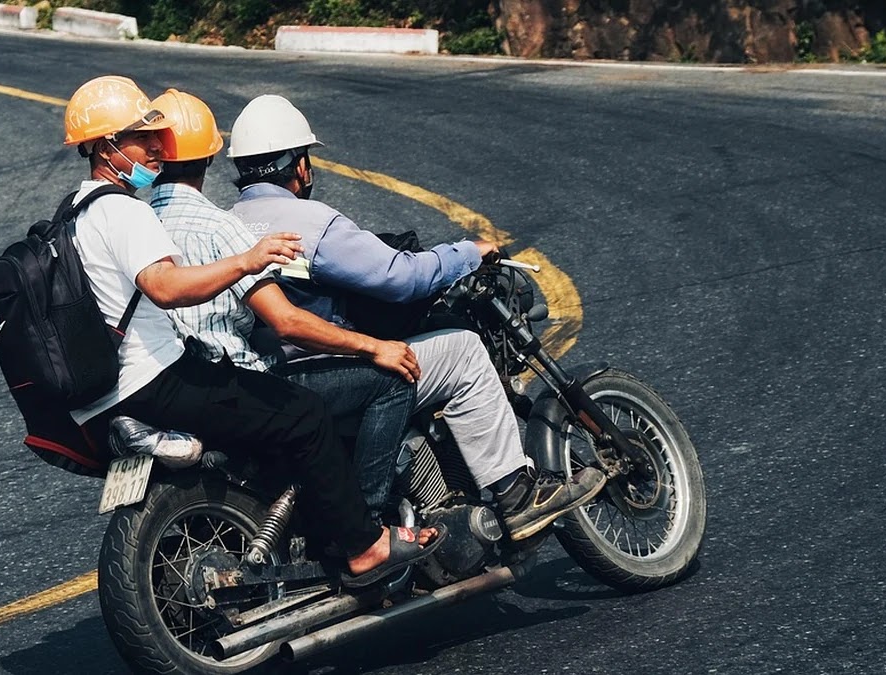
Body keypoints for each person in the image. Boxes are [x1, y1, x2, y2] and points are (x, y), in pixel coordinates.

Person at [59, 76, 438, 586]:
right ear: (105, 146)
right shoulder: (126, 210)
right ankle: (364, 543)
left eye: (158, 138)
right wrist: (246, 261)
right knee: (305, 413)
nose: (155, 146)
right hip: (156, 380)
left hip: (106, 391)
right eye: (140, 137)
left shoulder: (74, 214)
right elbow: (168, 286)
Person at [226, 94, 607, 541]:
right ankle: (516, 494)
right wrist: (467, 253)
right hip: (326, 369)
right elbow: (399, 277)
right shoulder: (310, 222)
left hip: (269, 377)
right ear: (298, 165)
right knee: (463, 350)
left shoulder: (228, 222)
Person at [146, 88, 418, 522]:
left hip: (170, 387)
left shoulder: (138, 223)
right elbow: (286, 321)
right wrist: (373, 346)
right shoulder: (222, 227)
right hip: (238, 383)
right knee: (391, 381)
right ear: (211, 158)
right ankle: (368, 525)